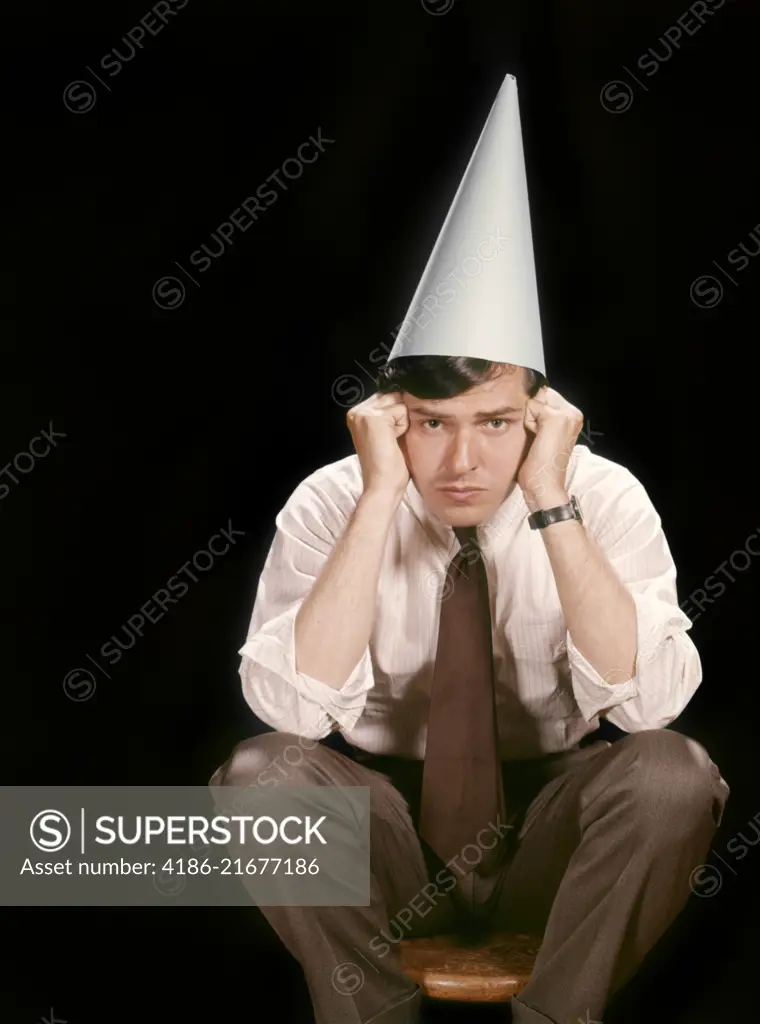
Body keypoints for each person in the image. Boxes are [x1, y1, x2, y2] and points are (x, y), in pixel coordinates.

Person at [210, 75, 729, 1024]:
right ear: (385, 420)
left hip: (556, 831)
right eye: (430, 423)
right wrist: (376, 500)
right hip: (378, 834)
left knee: (672, 774)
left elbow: (653, 705)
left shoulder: (601, 496)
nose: (459, 460)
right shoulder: (333, 501)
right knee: (262, 779)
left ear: (540, 417)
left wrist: (550, 501)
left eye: (495, 423)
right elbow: (289, 713)